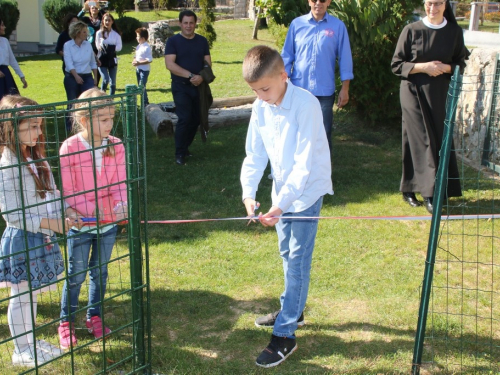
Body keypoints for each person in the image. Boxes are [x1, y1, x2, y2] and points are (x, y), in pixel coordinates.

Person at [240, 46, 333, 368]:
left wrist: (280, 206)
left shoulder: (305, 105)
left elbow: (303, 166)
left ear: (284, 76)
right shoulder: (260, 106)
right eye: (255, 91)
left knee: (297, 260)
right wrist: (248, 194)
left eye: (265, 88)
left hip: (306, 192)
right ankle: (294, 308)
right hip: (283, 192)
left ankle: (285, 334)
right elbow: (255, 155)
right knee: (285, 253)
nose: (261, 96)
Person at [0, 95, 81, 366]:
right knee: (21, 295)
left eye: (39, 126)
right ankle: (20, 349)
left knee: (32, 294)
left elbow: (53, 193)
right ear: (11, 127)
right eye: (31, 126)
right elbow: (12, 213)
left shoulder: (37, 157)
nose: (37, 132)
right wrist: (51, 224)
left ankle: (30, 340)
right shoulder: (8, 164)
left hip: (41, 236)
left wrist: (66, 211)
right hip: (22, 238)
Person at [58, 88, 128, 350]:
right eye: (103, 119)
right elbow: (69, 191)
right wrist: (92, 211)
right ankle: (66, 322)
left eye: (111, 118)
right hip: (81, 224)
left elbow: (120, 183)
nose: (110, 124)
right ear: (85, 119)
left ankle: (94, 317)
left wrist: (121, 205)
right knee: (75, 275)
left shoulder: (115, 145)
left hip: (108, 225)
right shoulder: (70, 147)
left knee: (100, 272)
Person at [391, 0, 468, 214]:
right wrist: (423, 67)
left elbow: (461, 63)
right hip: (412, 92)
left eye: (437, 4)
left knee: (428, 138)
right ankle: (430, 193)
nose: (432, 8)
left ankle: (409, 188)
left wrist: (445, 68)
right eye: (429, 3)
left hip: (440, 94)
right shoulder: (411, 30)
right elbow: (396, 65)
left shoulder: (454, 32)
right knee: (422, 137)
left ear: (445, 6)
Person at [281, 0, 353, 151]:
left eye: (322, 0)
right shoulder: (296, 25)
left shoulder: (338, 27)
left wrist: (345, 88)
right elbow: (287, 56)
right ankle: (296, 170)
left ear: (329, 2)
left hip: (324, 92)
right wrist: (283, 85)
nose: (318, 3)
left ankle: (322, 173)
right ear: (309, 1)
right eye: (314, 0)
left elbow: (345, 59)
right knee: (295, 132)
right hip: (298, 90)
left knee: (323, 134)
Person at [165, 10, 211, 166]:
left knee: (196, 119)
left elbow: (207, 63)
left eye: (191, 23)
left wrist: (201, 77)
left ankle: (185, 148)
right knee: (185, 118)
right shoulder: (173, 41)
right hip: (181, 86)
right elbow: (170, 64)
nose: (188, 26)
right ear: (180, 24)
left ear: (195, 23)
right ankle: (179, 154)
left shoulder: (202, 41)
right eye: (185, 23)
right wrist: (191, 75)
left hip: (199, 87)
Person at [63, 20, 98, 132]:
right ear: (77, 33)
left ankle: (89, 123)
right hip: (72, 76)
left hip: (87, 76)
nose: (86, 34)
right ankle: (70, 126)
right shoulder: (68, 45)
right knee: (72, 101)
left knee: (89, 100)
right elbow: (68, 63)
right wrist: (76, 76)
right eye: (84, 32)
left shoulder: (88, 45)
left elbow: (93, 62)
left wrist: (95, 78)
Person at [0, 18, 27, 100]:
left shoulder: (5, 41)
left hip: (5, 73)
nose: (4, 27)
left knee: (11, 100)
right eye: (2, 25)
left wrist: (21, 76)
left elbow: (12, 60)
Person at [95, 13, 122, 95]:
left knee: (112, 82)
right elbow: (97, 44)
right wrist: (101, 47)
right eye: (105, 20)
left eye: (109, 20)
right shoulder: (99, 33)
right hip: (102, 59)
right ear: (103, 21)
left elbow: (119, 46)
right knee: (105, 79)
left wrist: (111, 48)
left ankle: (111, 100)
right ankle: (102, 97)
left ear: (112, 22)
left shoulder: (116, 34)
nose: (107, 22)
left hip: (112, 58)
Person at [133, 27, 153, 106]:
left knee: (142, 86)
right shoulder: (139, 46)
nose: (136, 38)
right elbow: (136, 55)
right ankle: (144, 101)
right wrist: (134, 60)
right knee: (140, 86)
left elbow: (149, 60)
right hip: (138, 69)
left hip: (144, 70)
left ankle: (145, 102)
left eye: (138, 36)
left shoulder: (146, 47)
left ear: (143, 38)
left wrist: (139, 63)